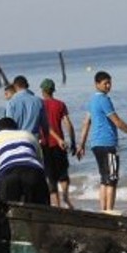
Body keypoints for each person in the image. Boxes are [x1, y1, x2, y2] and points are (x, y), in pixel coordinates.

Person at [76, 71, 127, 212]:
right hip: (107, 143)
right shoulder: (104, 100)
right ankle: (109, 211)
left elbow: (86, 123)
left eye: (109, 83)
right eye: (105, 83)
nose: (108, 86)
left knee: (104, 178)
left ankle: (103, 210)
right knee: (112, 179)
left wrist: (81, 144)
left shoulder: (92, 100)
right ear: (96, 84)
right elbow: (117, 122)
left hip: (95, 144)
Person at [0, 117, 49, 205]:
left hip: (8, 173)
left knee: (5, 211)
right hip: (33, 171)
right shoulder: (29, 135)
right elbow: (40, 160)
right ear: (16, 128)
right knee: (42, 210)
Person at [39, 78, 76, 208]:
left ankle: (57, 204)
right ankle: (65, 196)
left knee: (50, 175)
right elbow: (68, 124)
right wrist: (73, 142)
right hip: (60, 144)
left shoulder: (39, 105)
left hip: (45, 144)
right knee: (63, 173)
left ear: (43, 91)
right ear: (53, 90)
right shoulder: (60, 104)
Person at [4, 75, 49, 142]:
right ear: (27, 85)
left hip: (17, 140)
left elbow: (9, 126)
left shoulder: (11, 102)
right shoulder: (38, 101)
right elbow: (45, 126)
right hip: (33, 140)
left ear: (15, 86)